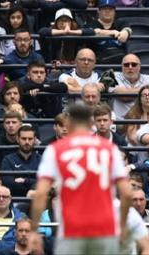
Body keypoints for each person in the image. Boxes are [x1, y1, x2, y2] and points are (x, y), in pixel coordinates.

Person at [28, 103, 133, 254]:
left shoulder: (55, 149)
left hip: (72, 228)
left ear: (69, 124)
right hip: (104, 227)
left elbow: (40, 193)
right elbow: (127, 193)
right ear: (92, 124)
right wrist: (122, 225)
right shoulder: (109, 149)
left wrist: (34, 231)